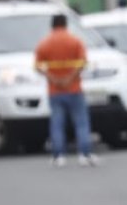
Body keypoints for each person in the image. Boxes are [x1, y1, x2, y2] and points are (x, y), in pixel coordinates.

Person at [34, 14, 97, 167]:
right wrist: (70, 77)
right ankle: (84, 153)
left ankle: (58, 156)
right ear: (65, 24)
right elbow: (82, 62)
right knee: (81, 122)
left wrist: (53, 78)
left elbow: (37, 66)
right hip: (74, 88)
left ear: (53, 25)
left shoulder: (44, 43)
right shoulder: (75, 41)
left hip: (55, 90)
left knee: (57, 123)